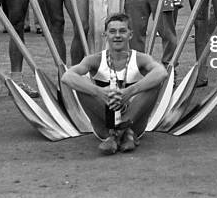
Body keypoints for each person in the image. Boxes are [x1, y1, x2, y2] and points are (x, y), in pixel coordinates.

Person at [61, 12, 167, 154]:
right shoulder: (94, 59)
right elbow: (67, 76)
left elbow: (162, 72)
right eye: (112, 31)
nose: (117, 35)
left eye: (122, 31)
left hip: (135, 124)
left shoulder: (141, 58)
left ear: (130, 34)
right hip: (104, 125)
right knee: (82, 82)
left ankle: (116, 136)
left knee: (154, 82)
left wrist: (129, 92)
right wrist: (100, 92)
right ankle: (124, 134)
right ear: (105, 35)